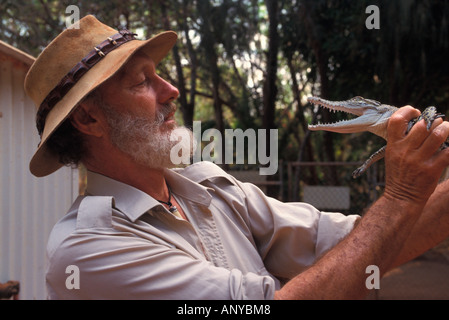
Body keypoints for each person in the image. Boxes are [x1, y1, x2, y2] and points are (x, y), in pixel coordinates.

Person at [25, 15, 449, 300]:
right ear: (88, 118)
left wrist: (412, 199)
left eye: (159, 73)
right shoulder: (87, 251)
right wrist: (400, 197)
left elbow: (361, 245)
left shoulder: (209, 186)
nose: (171, 90)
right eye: (142, 81)